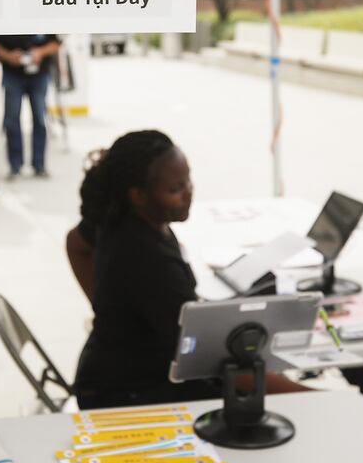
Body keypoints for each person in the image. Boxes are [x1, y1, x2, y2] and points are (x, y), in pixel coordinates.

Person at [72, 130, 308, 409]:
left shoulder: (119, 215)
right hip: (127, 396)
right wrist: (310, 395)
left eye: (188, 180)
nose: (189, 192)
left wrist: (109, 311)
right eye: (175, 189)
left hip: (118, 373)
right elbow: (211, 358)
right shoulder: (148, 260)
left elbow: (75, 244)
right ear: (138, 195)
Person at [0, 34, 61, 178]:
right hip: (12, 75)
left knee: (40, 120)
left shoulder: (44, 15)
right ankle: (15, 166)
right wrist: (8, 56)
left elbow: (56, 43)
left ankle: (39, 165)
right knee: (11, 121)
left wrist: (40, 52)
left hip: (39, 75)